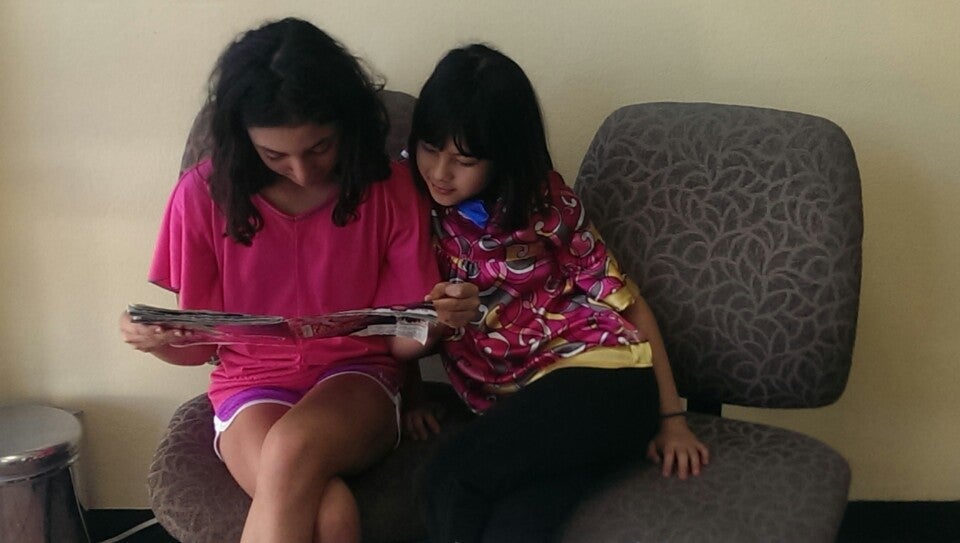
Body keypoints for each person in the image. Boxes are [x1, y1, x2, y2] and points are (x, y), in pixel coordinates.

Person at [119, 18, 477, 543]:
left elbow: (400, 342)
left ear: (346, 124)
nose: (303, 172)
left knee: (290, 448)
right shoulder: (202, 196)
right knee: (331, 514)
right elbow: (200, 348)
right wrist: (157, 342)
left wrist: (440, 319)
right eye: (275, 155)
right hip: (249, 385)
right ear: (243, 140)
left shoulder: (390, 189)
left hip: (358, 379)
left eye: (319, 148)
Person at [403, 44, 710, 543]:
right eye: (429, 149)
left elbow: (627, 302)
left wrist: (672, 417)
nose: (440, 172)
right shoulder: (408, 202)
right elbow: (391, 308)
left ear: (503, 156)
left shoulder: (545, 204)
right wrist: (412, 395)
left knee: (449, 479)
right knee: (515, 522)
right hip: (522, 408)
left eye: (464, 160)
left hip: (602, 378)